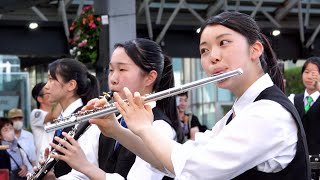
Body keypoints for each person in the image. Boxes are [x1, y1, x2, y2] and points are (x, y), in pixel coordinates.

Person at [109, 12, 310, 179]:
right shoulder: (239, 112)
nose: (212, 57)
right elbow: (175, 161)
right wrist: (115, 129)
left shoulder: (268, 113)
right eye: (204, 50)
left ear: (255, 49)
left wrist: (144, 128)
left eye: (223, 43)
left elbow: (196, 169)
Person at [49, 38, 184, 180]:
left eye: (122, 69)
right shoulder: (111, 120)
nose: (113, 79)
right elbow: (82, 176)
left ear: (150, 77)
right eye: (111, 70)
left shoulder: (159, 127)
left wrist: (85, 166)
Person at [43, 58, 100, 178]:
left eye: (51, 79)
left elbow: (85, 173)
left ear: (71, 85)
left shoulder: (86, 120)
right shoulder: (65, 117)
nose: (46, 87)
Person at [287, 57, 320, 179]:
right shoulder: (293, 99)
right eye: (306, 72)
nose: (310, 76)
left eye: (314, 73)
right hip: (299, 158)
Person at [30, 82, 61, 164]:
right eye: (48, 93)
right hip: (43, 161)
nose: (52, 94)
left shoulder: (60, 113)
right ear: (40, 99)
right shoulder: (35, 113)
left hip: (57, 157)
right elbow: (54, 115)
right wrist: (62, 95)